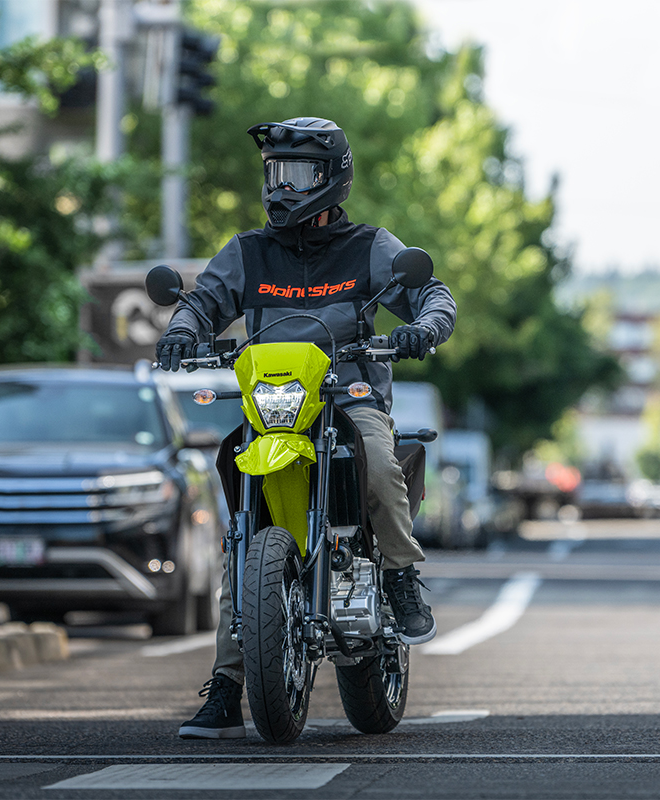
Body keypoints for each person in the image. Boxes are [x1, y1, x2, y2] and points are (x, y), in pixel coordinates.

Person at [157, 117, 456, 739]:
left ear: (333, 178)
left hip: (348, 399)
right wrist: (183, 329)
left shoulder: (372, 248)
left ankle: (400, 576)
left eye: (298, 174)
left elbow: (433, 292)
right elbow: (202, 300)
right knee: (243, 538)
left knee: (375, 457)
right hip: (272, 409)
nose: (283, 188)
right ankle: (227, 687)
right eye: (275, 173)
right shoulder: (246, 252)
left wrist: (423, 325)